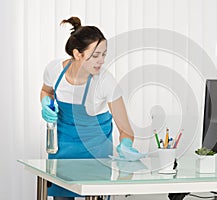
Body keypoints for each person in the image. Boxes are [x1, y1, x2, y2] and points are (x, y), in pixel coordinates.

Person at [40, 16, 143, 200]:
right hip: (62, 154)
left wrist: (126, 144)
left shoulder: (106, 82)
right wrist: (45, 102)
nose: (101, 61)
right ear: (77, 54)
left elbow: (126, 130)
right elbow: (46, 90)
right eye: (95, 55)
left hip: (97, 157)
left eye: (104, 54)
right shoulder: (54, 70)